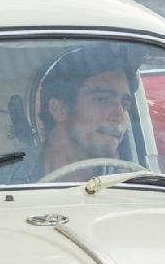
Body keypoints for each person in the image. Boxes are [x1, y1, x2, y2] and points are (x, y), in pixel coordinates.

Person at [15, 45, 137, 177]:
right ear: (59, 109)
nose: (119, 116)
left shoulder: (129, 186)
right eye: (102, 100)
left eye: (125, 105)